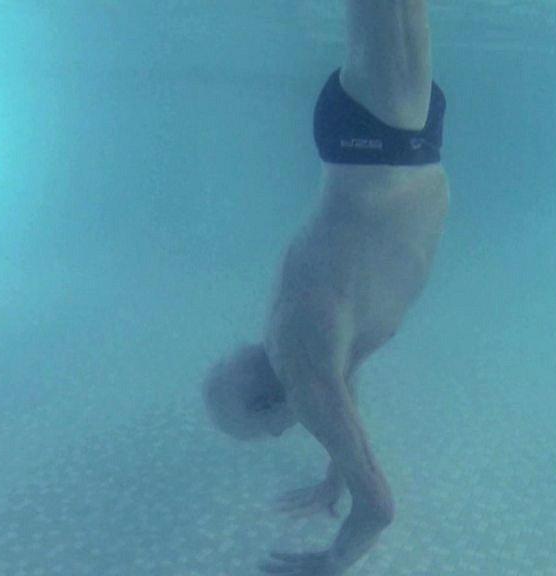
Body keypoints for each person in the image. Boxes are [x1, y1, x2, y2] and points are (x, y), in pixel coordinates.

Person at [203, 2, 449, 574]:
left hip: (384, 143)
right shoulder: (301, 349)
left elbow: (379, 508)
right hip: (381, 145)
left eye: (264, 432)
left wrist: (333, 561)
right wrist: (333, 476)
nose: (279, 433)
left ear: (270, 409)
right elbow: (341, 399)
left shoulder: (303, 370)